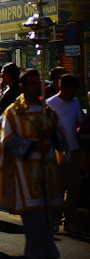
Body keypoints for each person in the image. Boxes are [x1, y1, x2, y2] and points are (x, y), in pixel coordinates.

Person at [0, 69, 66, 259]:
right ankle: (36, 255)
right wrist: (36, 144)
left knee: (47, 213)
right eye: (31, 84)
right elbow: (8, 141)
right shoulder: (13, 112)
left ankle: (44, 252)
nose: (35, 87)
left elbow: (61, 136)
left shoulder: (47, 111)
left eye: (38, 84)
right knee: (33, 215)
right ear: (22, 86)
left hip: (48, 168)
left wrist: (53, 136)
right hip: (25, 169)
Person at [46, 74, 84, 233]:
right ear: (60, 88)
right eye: (69, 92)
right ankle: (54, 218)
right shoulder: (50, 104)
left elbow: (80, 122)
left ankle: (69, 221)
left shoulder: (75, 102)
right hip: (56, 151)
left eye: (74, 92)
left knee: (74, 188)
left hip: (73, 149)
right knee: (57, 187)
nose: (71, 95)